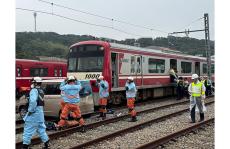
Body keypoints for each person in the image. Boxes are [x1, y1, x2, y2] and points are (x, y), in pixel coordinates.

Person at [22, 77, 50, 149]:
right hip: (40, 113)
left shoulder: (34, 90)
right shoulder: (41, 90)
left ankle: (25, 147)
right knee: (41, 129)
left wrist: (30, 111)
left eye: (32, 82)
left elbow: (33, 101)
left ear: (35, 83)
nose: (31, 84)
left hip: (34, 113)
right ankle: (47, 144)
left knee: (28, 129)